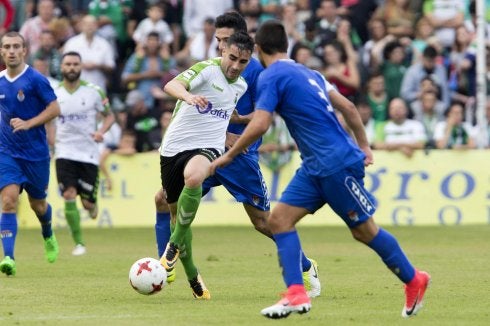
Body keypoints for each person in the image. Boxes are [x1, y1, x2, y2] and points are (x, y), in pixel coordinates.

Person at [210, 20, 431, 319]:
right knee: (279, 221)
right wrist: (364, 146)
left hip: (334, 163)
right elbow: (349, 109)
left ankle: (415, 280)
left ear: (259, 49)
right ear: (286, 46)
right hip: (315, 165)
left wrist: (228, 156)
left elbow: (262, 123)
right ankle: (296, 293)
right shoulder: (310, 73)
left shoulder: (270, 75)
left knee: (365, 232)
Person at [154, 12, 321, 299]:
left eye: (224, 39)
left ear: (242, 42)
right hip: (203, 148)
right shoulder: (215, 65)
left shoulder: (255, 73)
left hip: (238, 157)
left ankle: (306, 265)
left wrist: (239, 134)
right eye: (218, 41)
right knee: (163, 199)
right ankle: (164, 266)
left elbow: (266, 111)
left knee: (262, 222)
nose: (220, 46)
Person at [158, 31, 254, 299]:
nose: (235, 66)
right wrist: (188, 97)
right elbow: (172, 85)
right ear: (224, 52)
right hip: (173, 147)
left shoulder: (241, 86)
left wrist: (241, 123)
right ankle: (193, 277)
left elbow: (224, 110)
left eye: (242, 61)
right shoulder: (207, 70)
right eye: (232, 58)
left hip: (207, 147)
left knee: (194, 177)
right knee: (178, 217)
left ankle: (172, 245)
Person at [0, 31, 61, 276]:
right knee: (8, 200)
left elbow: (55, 108)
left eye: (16, 46)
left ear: (24, 50)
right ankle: (8, 258)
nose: (12, 51)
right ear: (2, 51)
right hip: (6, 152)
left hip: (36, 154)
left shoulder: (36, 80)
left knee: (38, 205)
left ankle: (47, 231)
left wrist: (29, 123)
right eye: (7, 47)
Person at [52, 51, 115, 256]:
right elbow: (46, 120)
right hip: (63, 152)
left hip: (88, 154)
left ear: (81, 67)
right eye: (68, 64)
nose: (71, 68)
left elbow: (110, 117)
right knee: (69, 194)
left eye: (75, 64)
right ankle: (79, 243)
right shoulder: (53, 93)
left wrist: (101, 132)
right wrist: (50, 140)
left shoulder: (94, 91)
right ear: (62, 67)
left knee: (87, 204)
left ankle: (92, 204)